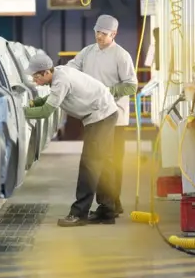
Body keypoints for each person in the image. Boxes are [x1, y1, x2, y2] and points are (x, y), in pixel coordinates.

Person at [24, 53, 118, 226]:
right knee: (103, 165)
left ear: (46, 73)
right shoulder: (59, 73)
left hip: (101, 116)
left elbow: (46, 111)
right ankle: (107, 211)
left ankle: (79, 214)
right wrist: (33, 104)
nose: (34, 79)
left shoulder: (61, 80)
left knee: (89, 165)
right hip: (105, 113)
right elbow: (52, 98)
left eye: (36, 76)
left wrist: (20, 112)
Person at [66, 14, 138, 220]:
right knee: (104, 162)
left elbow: (131, 85)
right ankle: (112, 205)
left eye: (104, 34)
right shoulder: (87, 52)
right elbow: (72, 68)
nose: (99, 36)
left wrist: (106, 91)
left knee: (112, 162)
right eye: (97, 32)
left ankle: (110, 206)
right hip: (95, 116)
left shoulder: (121, 56)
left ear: (114, 34)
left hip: (116, 118)